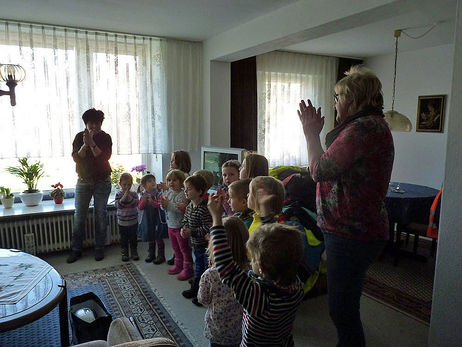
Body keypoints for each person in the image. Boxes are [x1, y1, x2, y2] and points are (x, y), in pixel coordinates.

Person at [297, 65, 394, 346]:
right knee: (346, 300)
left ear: (352, 100)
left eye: (338, 97)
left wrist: (311, 133)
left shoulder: (363, 129)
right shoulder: (368, 126)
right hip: (350, 230)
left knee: (341, 309)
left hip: (351, 233)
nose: (335, 102)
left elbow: (319, 170)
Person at [207, 193, 304, 346]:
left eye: (252, 259)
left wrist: (216, 219)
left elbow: (226, 267)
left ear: (261, 267)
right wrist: (265, 210)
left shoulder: (259, 299)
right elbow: (276, 241)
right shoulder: (296, 284)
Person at [67, 108, 112, 263]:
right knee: (79, 216)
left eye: (97, 123)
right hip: (83, 181)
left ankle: (99, 248)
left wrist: (92, 144)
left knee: (101, 214)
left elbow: (104, 158)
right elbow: (76, 158)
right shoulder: (79, 137)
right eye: (91, 123)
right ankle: (76, 250)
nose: (94, 126)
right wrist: (85, 145)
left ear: (101, 123)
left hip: (102, 181)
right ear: (86, 124)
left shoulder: (106, 137)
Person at [197, 216, 249, 347]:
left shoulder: (210, 275)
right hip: (241, 330)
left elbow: (203, 299)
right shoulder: (251, 271)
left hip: (218, 331)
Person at [181, 175, 212, 306]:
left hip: (205, 246)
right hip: (195, 244)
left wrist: (192, 232)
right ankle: (196, 289)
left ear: (199, 191)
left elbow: (207, 228)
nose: (186, 191)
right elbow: (185, 220)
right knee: (198, 268)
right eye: (185, 189)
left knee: (205, 270)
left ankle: (203, 295)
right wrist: (184, 229)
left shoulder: (203, 209)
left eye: (189, 189)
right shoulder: (189, 207)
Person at [159, 169, 192, 279]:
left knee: (184, 248)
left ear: (181, 181)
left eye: (174, 180)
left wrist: (168, 204)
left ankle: (187, 268)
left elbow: (179, 209)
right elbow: (163, 207)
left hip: (180, 226)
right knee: (175, 247)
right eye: (169, 180)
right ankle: (178, 265)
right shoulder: (167, 192)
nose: (171, 183)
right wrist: (163, 205)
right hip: (170, 225)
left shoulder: (182, 195)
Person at [166, 150, 192, 266]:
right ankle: (178, 257)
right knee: (176, 242)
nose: (171, 163)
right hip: (173, 218)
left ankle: (183, 260)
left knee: (182, 243)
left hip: (181, 217)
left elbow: (181, 201)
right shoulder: (174, 175)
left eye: (173, 160)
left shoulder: (184, 177)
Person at [138, 173, 166, 264]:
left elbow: (160, 205)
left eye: (154, 180)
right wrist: (144, 201)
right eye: (150, 181)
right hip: (148, 218)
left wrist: (152, 202)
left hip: (157, 218)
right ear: (144, 185)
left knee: (158, 236)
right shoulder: (143, 195)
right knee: (150, 235)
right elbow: (140, 207)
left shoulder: (159, 194)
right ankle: (151, 253)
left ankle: (161, 255)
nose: (153, 182)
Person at [115, 173, 139, 261]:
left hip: (133, 221)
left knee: (133, 238)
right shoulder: (118, 194)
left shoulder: (134, 194)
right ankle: (125, 253)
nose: (126, 187)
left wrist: (129, 197)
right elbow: (118, 205)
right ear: (120, 184)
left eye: (129, 184)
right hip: (122, 222)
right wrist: (124, 197)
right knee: (124, 239)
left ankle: (134, 251)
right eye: (124, 184)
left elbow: (136, 203)